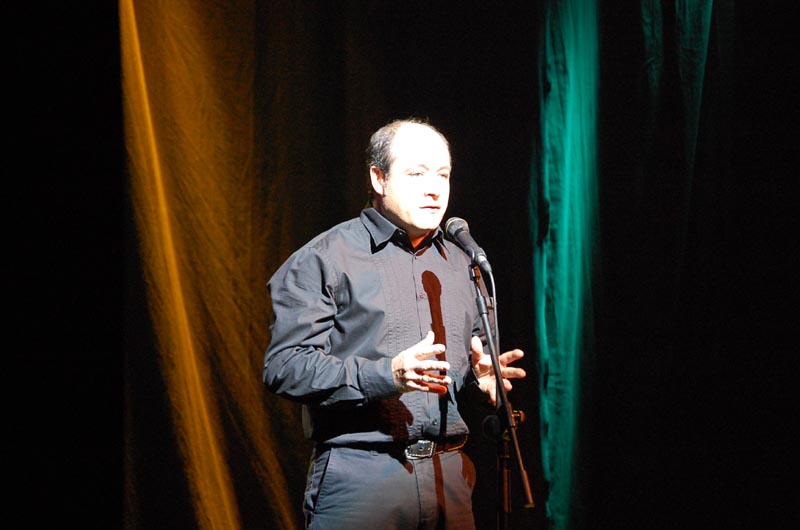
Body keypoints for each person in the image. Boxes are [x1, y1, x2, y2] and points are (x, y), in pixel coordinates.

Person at [263, 118, 526, 530]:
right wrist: (386, 375)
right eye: (417, 173)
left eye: (443, 174)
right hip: (362, 478)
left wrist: (479, 381)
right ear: (378, 178)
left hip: (450, 478)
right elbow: (284, 367)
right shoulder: (325, 259)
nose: (434, 188)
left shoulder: (464, 265)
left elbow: (465, 376)